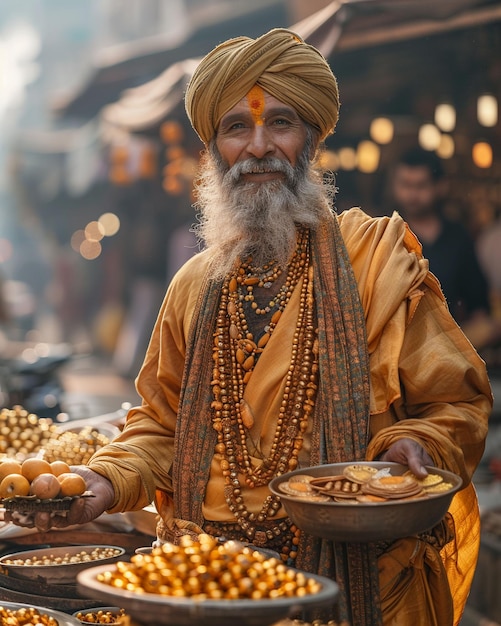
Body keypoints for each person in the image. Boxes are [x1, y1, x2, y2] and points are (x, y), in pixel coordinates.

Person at [9, 28, 491, 626]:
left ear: (310, 140)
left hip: (358, 585)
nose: (258, 147)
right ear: (213, 149)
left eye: (280, 123)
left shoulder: (374, 262)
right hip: (202, 583)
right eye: (237, 127)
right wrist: (101, 482)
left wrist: (411, 445)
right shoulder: (192, 285)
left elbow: (455, 403)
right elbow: (161, 425)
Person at [389, 147, 497, 346]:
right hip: (397, 348)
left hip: (448, 347)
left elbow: (478, 302)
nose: (412, 194)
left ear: (440, 186)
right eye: (405, 185)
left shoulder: (457, 237)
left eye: (421, 185)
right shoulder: (387, 235)